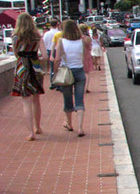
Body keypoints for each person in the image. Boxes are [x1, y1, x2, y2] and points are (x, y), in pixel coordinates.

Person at [11, 12, 48, 141]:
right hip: (35, 66)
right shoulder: (38, 36)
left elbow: (16, 53)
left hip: (22, 66)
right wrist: (37, 59)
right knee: (36, 99)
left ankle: (30, 132)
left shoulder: (16, 37)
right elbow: (45, 56)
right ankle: (38, 127)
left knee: (26, 101)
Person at [53, 19, 90, 137]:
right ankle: (80, 127)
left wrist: (54, 72)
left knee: (67, 98)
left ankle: (69, 123)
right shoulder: (81, 42)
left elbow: (57, 59)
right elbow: (84, 56)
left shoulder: (61, 42)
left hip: (66, 72)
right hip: (79, 71)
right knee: (80, 99)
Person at [42, 18, 60, 88]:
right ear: (57, 25)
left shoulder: (47, 34)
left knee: (52, 67)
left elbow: (44, 43)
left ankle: (53, 82)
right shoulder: (59, 33)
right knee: (59, 67)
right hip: (58, 50)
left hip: (50, 50)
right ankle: (59, 83)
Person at [79, 24, 94, 93]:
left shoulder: (77, 38)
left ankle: (80, 87)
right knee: (87, 72)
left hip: (78, 55)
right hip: (87, 55)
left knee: (79, 71)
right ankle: (86, 87)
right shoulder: (87, 38)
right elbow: (90, 47)